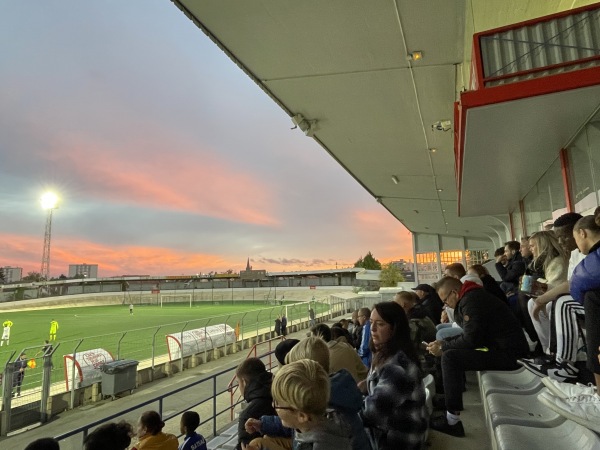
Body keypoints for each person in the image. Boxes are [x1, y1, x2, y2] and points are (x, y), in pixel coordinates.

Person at [427, 276, 528, 437]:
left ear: (454, 292)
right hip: (503, 350)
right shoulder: (472, 296)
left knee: (450, 358)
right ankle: (450, 397)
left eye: (446, 300)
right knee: (450, 353)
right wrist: (443, 342)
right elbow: (471, 335)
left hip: (510, 355)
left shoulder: (471, 301)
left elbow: (471, 339)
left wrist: (444, 347)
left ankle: (452, 421)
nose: (446, 305)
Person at [522, 215, 600, 382]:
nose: (561, 241)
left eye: (564, 236)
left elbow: (575, 283)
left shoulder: (592, 254)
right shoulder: (576, 254)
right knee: (550, 303)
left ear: (580, 233)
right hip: (589, 301)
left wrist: (542, 298)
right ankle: (552, 354)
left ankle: (564, 364)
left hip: (591, 302)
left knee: (563, 304)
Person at [360, 302, 427, 450]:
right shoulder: (385, 353)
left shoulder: (397, 367)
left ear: (394, 329)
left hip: (399, 442)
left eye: (380, 324)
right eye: (371, 323)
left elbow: (372, 414)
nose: (372, 329)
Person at [244, 359, 352, 450]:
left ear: (302, 416)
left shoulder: (320, 446)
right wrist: (262, 424)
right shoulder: (314, 420)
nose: (273, 405)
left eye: (277, 403)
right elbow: (290, 426)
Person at [285, 336, 370, 450]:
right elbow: (294, 419)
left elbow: (298, 420)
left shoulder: (326, 406)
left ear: (308, 373)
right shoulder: (338, 392)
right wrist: (264, 423)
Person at [235, 358, 276, 450]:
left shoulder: (248, 416)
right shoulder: (279, 393)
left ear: (244, 382)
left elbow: (244, 447)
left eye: (238, 383)